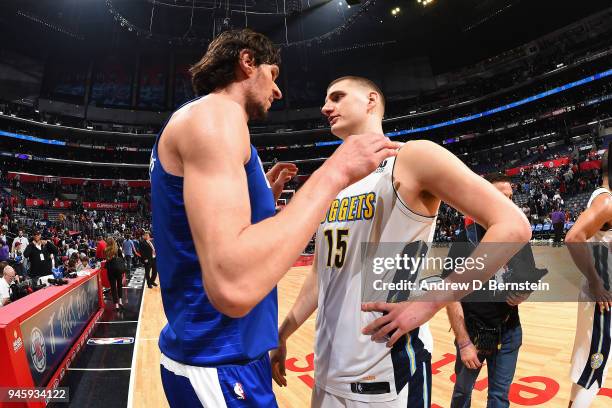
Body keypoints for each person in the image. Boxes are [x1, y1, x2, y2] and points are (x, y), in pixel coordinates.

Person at [151, 30, 400, 407]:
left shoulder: (210, 122)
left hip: (225, 355)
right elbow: (232, 286)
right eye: (274, 73)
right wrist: (333, 172)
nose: (278, 91)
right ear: (248, 62)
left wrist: (259, 200)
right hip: (218, 358)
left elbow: (202, 225)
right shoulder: (215, 115)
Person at [271, 77, 531, 407]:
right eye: (326, 99)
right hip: (327, 370)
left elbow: (513, 226)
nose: (325, 107)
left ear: (370, 101)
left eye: (336, 97)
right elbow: (321, 276)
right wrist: (283, 332)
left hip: (386, 370)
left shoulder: (411, 157)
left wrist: (431, 302)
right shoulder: (332, 181)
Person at [444, 173, 532, 408]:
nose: (509, 203)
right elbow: (449, 294)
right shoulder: (465, 241)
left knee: (499, 397)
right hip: (475, 334)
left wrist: (523, 293)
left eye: (511, 197)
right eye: (501, 197)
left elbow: (528, 279)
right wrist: (463, 343)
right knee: (463, 393)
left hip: (510, 330)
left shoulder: (518, 237)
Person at [565, 149, 612, 408]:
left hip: (600, 296)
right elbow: (573, 238)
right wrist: (595, 281)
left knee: (588, 369)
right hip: (602, 299)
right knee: (595, 371)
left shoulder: (604, 198)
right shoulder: (606, 202)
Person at [104, 237, 125, 310]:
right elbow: (122, 257)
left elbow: (106, 259)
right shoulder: (117, 249)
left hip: (110, 270)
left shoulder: (106, 250)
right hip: (118, 269)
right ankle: (120, 301)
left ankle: (116, 305)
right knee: (119, 285)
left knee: (113, 288)